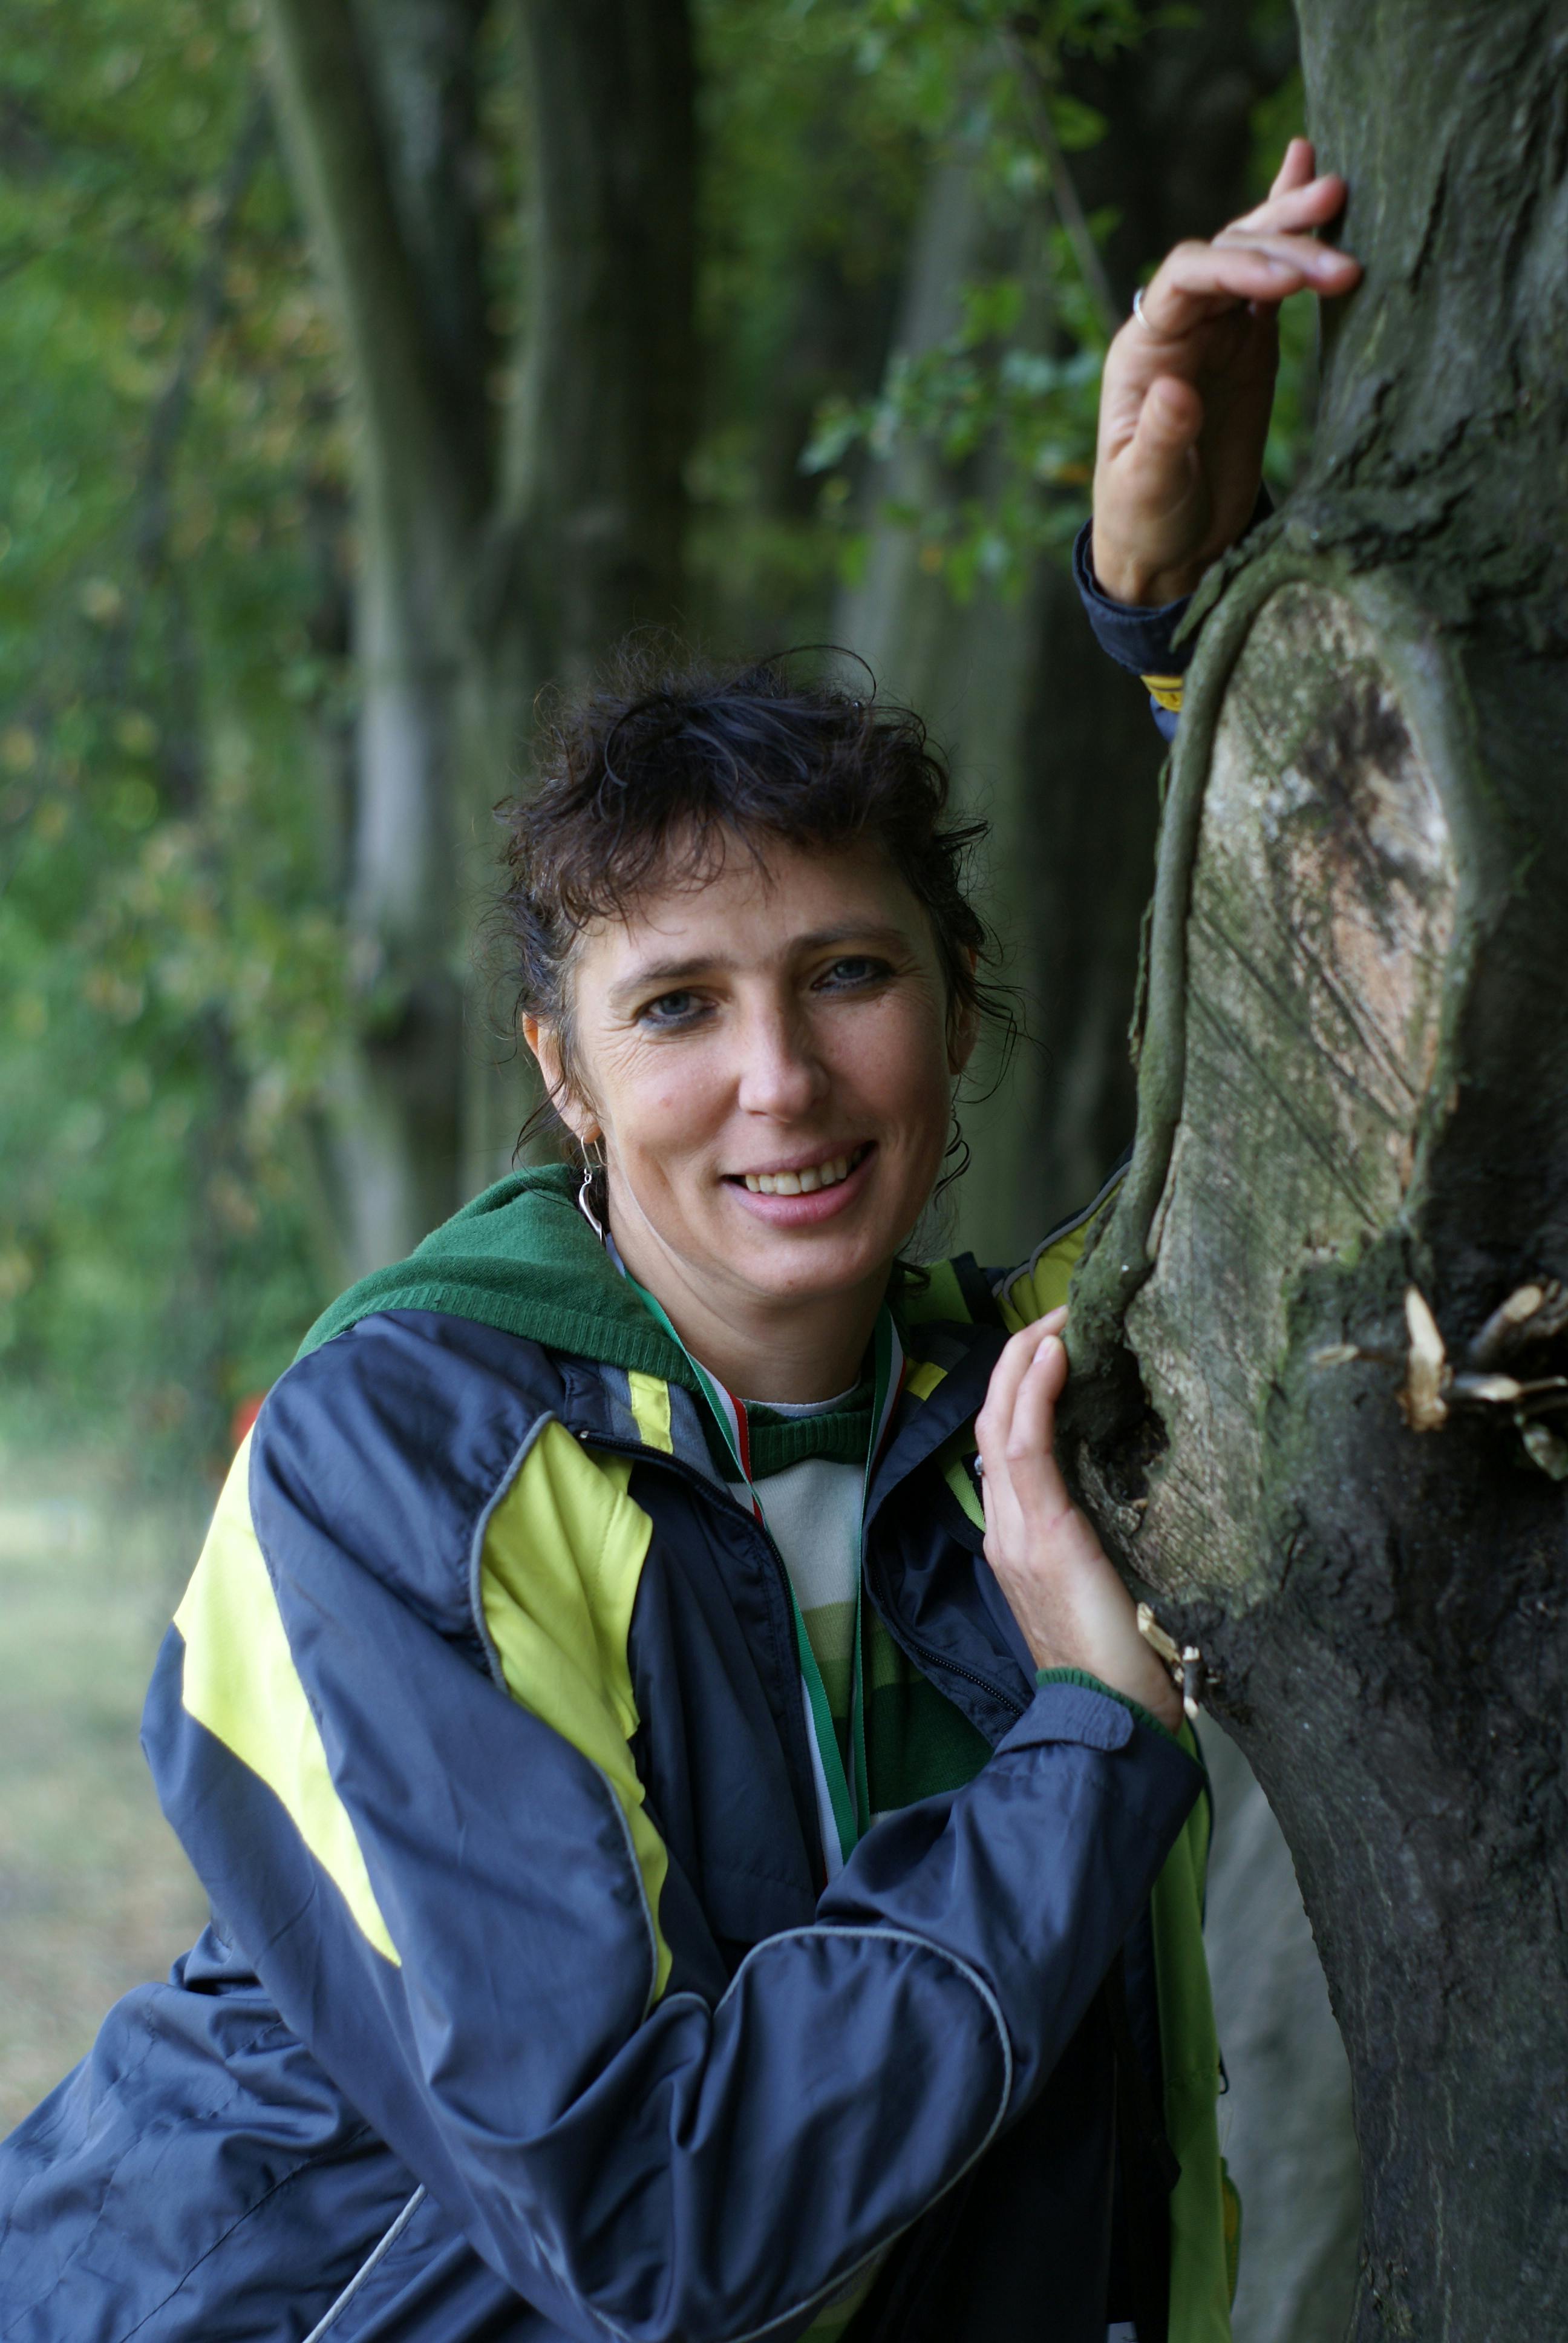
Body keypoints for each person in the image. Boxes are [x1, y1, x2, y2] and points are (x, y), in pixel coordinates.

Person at [0, 144, 1359, 2343]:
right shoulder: (398, 1458)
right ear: (563, 1073)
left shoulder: (1022, 1403)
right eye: (676, 1008)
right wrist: (1092, 1747)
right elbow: (652, 2217)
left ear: (958, 1001)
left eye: (848, 974)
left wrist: (1189, 637)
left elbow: (1340, 1133)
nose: (783, 1084)